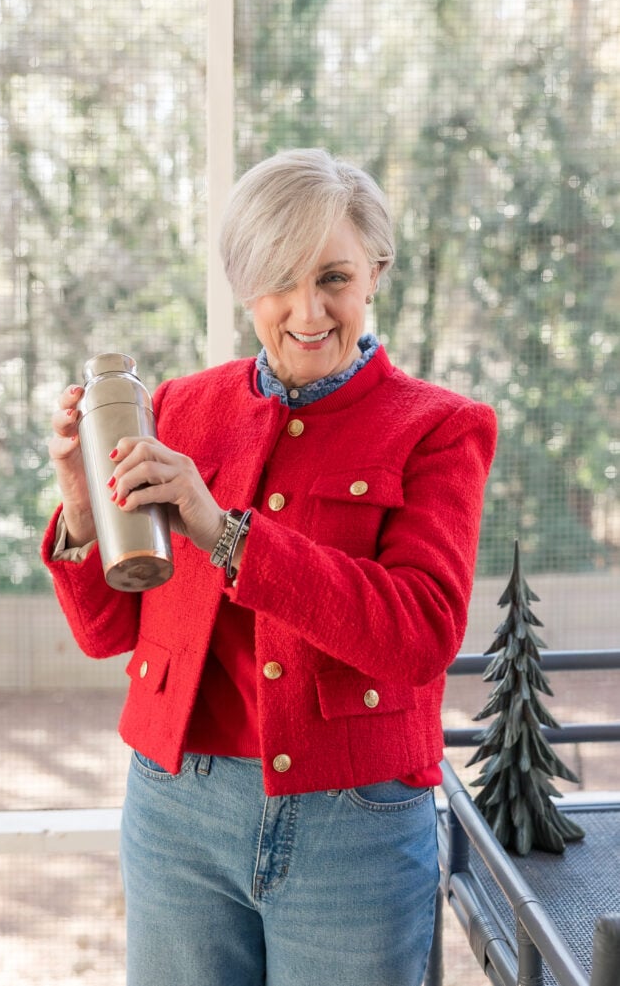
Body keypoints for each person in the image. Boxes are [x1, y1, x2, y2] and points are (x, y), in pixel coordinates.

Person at [43, 147, 497, 986]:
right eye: (278, 281)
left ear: (375, 274)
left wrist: (224, 532)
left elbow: (420, 635)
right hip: (176, 806)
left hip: (353, 821)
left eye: (333, 276)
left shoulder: (438, 426)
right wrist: (80, 504)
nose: (306, 309)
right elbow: (106, 632)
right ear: (246, 287)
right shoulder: (176, 406)